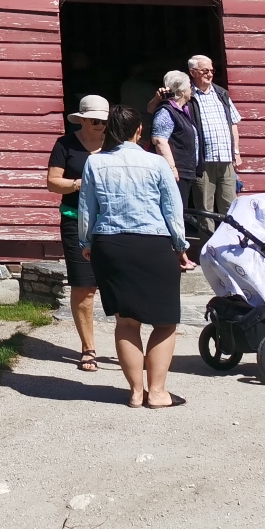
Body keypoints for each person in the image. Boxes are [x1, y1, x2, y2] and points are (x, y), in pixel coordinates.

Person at [78, 102, 194, 409]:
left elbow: (87, 208)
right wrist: (181, 246)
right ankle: (157, 392)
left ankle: (135, 392)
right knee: (165, 321)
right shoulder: (157, 164)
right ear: (139, 130)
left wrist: (85, 242)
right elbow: (172, 210)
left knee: (126, 321)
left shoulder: (94, 163)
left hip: (110, 245)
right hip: (153, 245)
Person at [47, 94, 109, 371]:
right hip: (76, 220)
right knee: (84, 286)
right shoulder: (65, 144)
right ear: (82, 119)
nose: (101, 125)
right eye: (95, 120)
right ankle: (88, 348)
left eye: (105, 120)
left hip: (112, 221)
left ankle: (128, 346)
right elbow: (52, 183)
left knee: (117, 283)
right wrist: (78, 184)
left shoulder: (116, 144)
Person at [186, 54, 242, 217]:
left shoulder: (221, 94)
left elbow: (233, 124)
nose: (210, 74)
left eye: (211, 70)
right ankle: (207, 242)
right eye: (205, 71)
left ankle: (231, 242)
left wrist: (236, 152)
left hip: (225, 160)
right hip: (202, 162)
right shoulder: (188, 96)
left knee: (230, 208)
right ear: (193, 72)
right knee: (205, 210)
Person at [149, 71, 203, 229]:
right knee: (174, 214)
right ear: (181, 91)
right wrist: (171, 169)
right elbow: (159, 140)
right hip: (176, 172)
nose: (191, 88)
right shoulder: (166, 111)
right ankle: (174, 250)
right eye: (189, 86)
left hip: (185, 171)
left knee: (180, 212)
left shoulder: (184, 109)